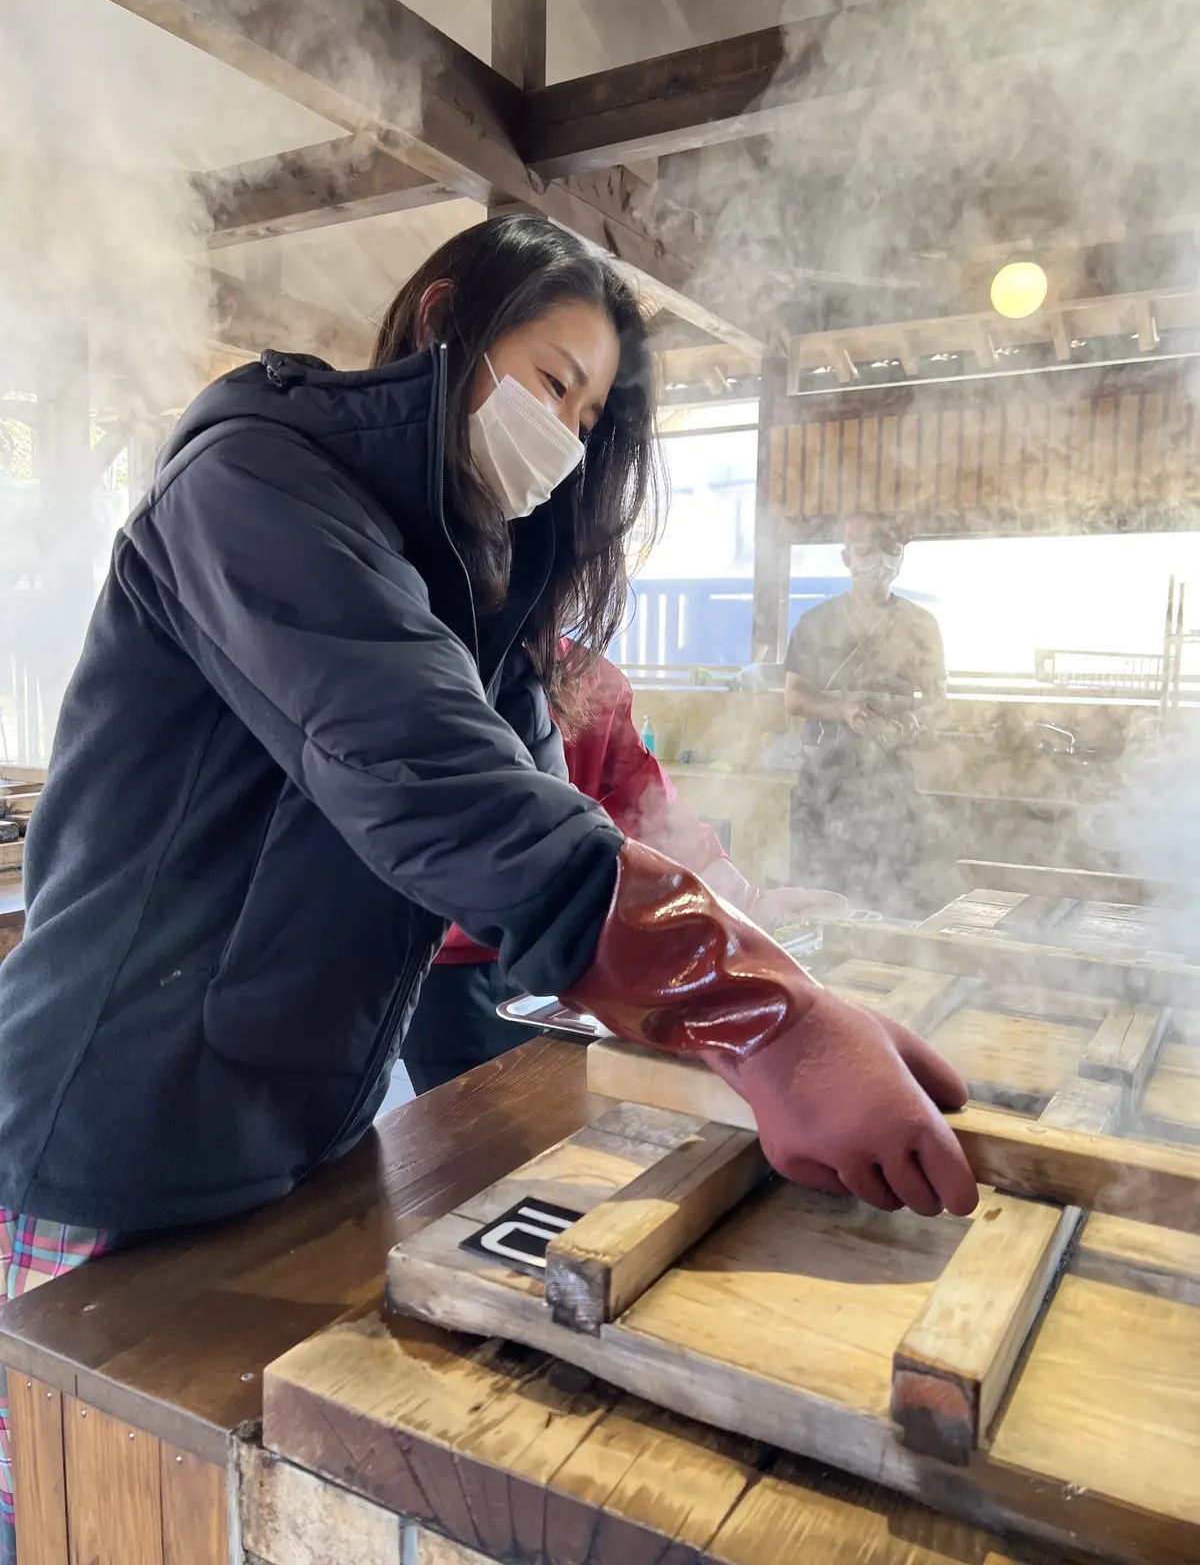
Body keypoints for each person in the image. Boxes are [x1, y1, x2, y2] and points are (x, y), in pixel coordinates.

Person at [0, 218, 976, 1557]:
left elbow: (543, 818)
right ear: (443, 320)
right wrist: (762, 1019)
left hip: (299, 1125)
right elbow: (437, 782)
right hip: (109, 1130)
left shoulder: (456, 586)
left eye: (590, 408)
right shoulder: (255, 484)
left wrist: (782, 984)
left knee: (238, 1507)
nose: (567, 427)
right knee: (84, 1509)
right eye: (552, 376)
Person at [403, 649, 849, 1092]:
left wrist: (746, 901)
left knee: (556, 1106)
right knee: (463, 1125)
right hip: (439, 957)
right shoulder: (431, 665)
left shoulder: (590, 677)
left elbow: (643, 798)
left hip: (559, 945)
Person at [785, 516, 947, 912]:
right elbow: (794, 697)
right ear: (847, 557)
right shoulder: (817, 622)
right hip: (825, 782)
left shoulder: (920, 625)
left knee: (891, 899)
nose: (880, 563)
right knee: (817, 898)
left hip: (891, 781)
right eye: (867, 552)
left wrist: (913, 721)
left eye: (892, 553)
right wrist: (842, 709)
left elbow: (939, 702)